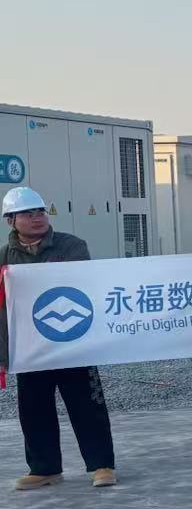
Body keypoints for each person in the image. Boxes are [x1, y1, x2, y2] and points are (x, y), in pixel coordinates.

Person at [2, 186, 118, 490]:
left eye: (40, 211)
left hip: (73, 343)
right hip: (30, 350)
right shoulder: (4, 257)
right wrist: (4, 354)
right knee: (34, 409)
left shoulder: (71, 246)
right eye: (28, 213)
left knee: (87, 406)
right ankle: (44, 468)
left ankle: (102, 465)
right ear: (11, 221)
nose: (37, 217)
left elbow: (81, 284)